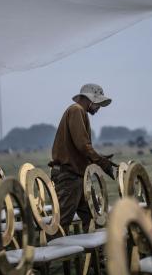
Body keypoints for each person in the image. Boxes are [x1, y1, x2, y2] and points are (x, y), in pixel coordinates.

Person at [49, 83, 117, 231]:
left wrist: (99, 158)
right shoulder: (76, 110)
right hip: (69, 177)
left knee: (95, 219)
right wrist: (101, 162)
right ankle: (45, 253)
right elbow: (83, 145)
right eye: (98, 104)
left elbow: (80, 147)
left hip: (78, 177)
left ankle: (96, 253)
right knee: (60, 225)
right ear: (90, 100)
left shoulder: (80, 112)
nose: (99, 108)